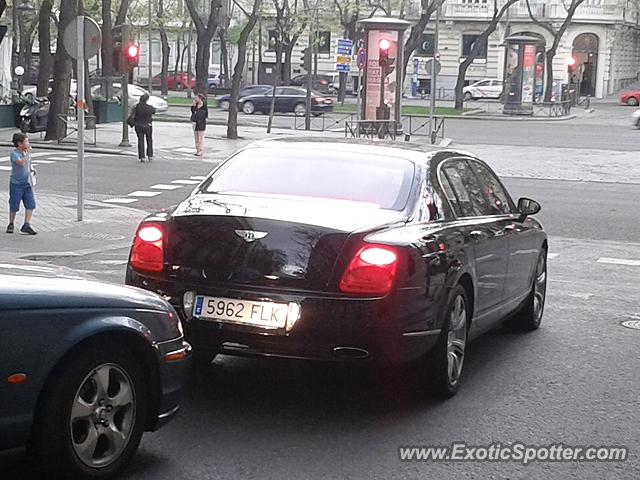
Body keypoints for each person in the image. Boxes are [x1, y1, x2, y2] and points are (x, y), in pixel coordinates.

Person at [6, 132, 37, 235]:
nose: (28, 143)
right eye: (26, 141)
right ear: (19, 144)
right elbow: (21, 163)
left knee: (30, 204)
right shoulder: (15, 154)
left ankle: (26, 224)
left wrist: (32, 169)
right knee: (14, 203)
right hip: (16, 183)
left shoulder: (25, 153)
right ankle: (11, 223)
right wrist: (28, 153)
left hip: (27, 182)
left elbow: (28, 163)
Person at [132, 93, 156, 163]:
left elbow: (133, 115)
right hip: (148, 125)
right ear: (147, 99)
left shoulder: (136, 107)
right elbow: (154, 111)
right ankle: (150, 155)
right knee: (149, 140)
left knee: (140, 140)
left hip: (138, 125)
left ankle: (142, 157)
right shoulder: (150, 107)